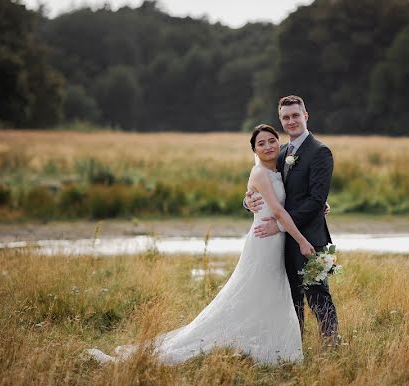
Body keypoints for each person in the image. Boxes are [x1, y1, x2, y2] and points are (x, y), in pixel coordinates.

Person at [86, 124, 310, 365]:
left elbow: (293, 198)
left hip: (277, 241)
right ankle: (244, 343)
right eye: (261, 144)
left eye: (271, 140)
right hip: (263, 242)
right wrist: (302, 241)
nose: (268, 146)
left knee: (271, 292)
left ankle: (271, 342)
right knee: (252, 291)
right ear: (254, 150)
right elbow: (276, 210)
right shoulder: (259, 173)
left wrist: (318, 207)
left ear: (279, 142)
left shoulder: (282, 167)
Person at [245, 95, 339, 343]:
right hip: (280, 244)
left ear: (305, 116)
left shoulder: (320, 152)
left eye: (295, 115)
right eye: (285, 117)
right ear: (281, 121)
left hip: (309, 237)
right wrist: (247, 202)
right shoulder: (281, 151)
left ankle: (331, 346)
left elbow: (316, 200)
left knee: (318, 295)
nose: (291, 121)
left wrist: (278, 225)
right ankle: (294, 349)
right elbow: (264, 188)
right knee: (290, 299)